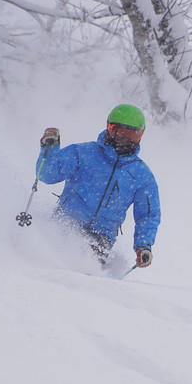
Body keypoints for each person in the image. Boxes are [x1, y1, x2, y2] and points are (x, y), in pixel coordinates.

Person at [36, 104, 160, 269]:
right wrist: (49, 149)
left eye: (132, 135)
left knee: (84, 273)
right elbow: (47, 174)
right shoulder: (84, 153)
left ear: (140, 136)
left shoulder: (142, 176)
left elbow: (148, 215)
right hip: (65, 222)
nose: (124, 140)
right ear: (109, 128)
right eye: (120, 133)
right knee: (44, 263)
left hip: (101, 238)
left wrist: (143, 245)